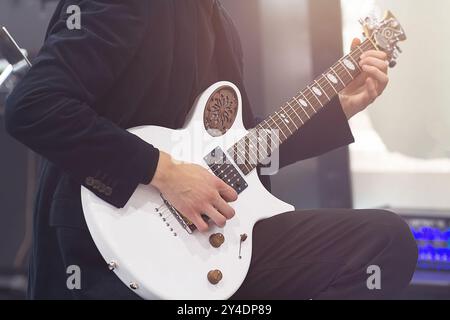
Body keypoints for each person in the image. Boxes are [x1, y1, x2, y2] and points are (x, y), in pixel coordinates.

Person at [4, 0, 417, 300]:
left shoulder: (219, 22)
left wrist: (340, 107)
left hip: (201, 244)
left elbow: (237, 156)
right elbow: (34, 107)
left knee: (384, 241)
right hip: (105, 252)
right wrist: (165, 172)